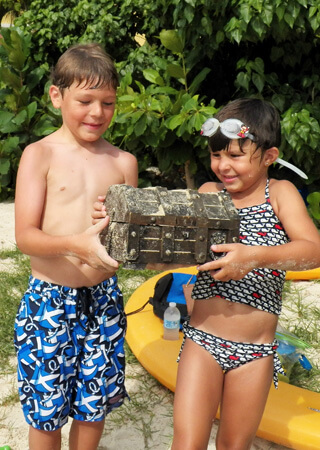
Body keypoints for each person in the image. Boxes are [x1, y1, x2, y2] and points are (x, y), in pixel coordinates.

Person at [171, 98, 320, 449]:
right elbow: (174, 240)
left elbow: (313, 250)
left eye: (236, 156)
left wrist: (254, 257)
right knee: (187, 441)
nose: (223, 165)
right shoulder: (210, 194)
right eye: (216, 155)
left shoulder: (279, 195)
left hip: (254, 352)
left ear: (269, 156)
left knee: (234, 445)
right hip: (202, 341)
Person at [14, 43, 138, 450]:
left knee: (93, 405)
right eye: (85, 100)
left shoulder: (124, 161)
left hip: (103, 302)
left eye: (108, 102)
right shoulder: (39, 154)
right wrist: (77, 245)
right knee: (46, 412)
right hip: (49, 302)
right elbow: (25, 236)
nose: (97, 113)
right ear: (57, 96)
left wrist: (121, 223)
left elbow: (128, 243)